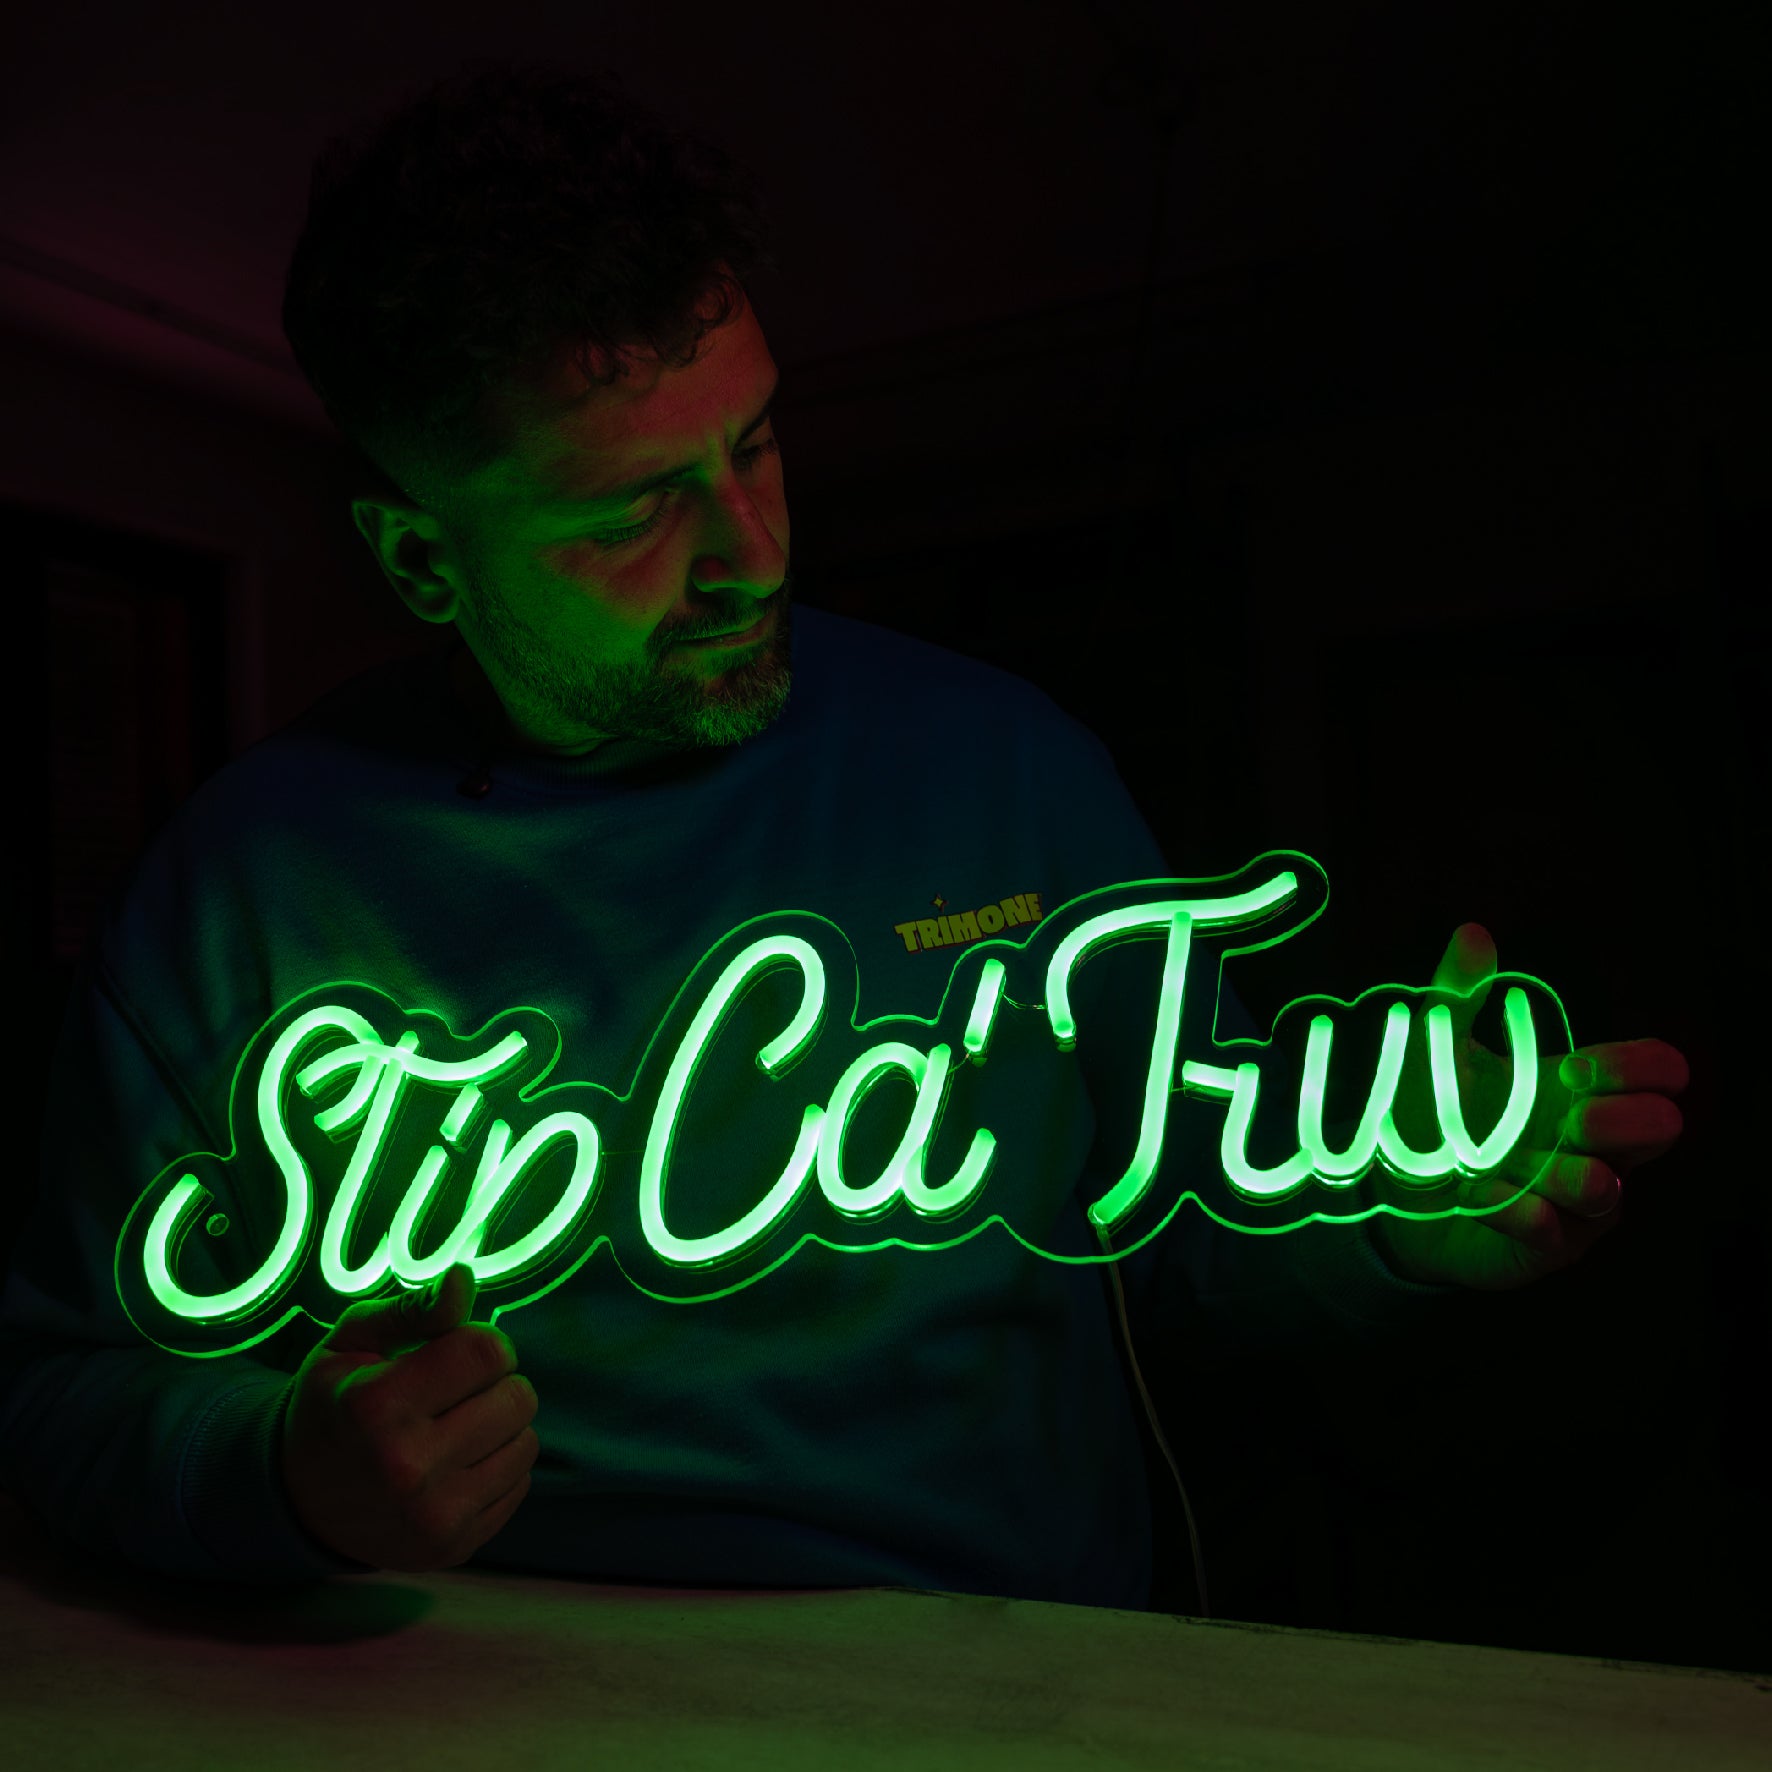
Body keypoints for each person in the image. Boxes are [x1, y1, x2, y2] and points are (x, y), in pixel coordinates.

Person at [0, 61, 1687, 1608]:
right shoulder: (243, 892)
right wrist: (281, 1476)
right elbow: (59, 1389)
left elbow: (1175, 1238)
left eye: (756, 445)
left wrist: (1394, 1226)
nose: (749, 554)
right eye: (635, 512)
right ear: (425, 561)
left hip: (1010, 1681)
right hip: (480, 1694)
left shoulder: (1010, 775)